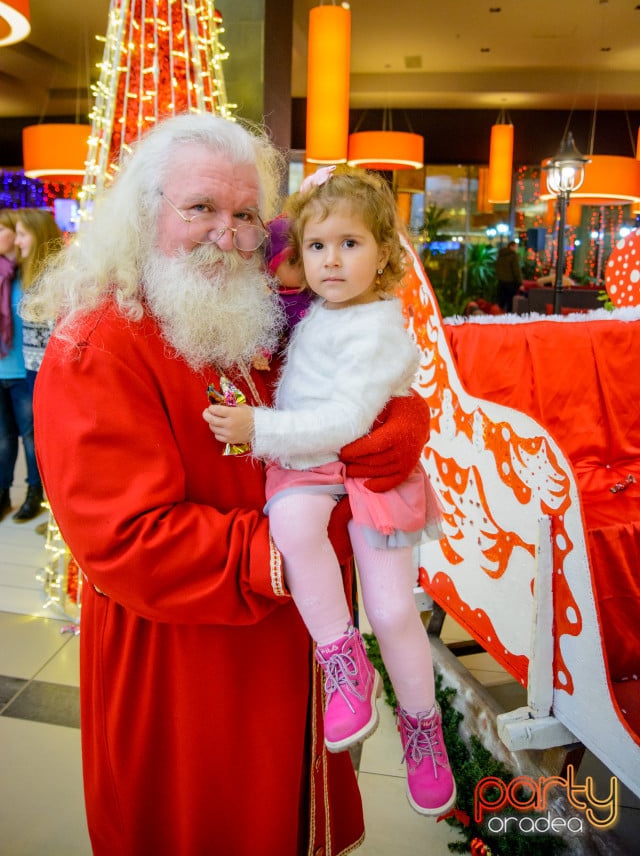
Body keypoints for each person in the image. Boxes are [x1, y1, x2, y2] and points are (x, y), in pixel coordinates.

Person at [23, 113, 430, 856]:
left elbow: (336, 400)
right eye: (201, 208)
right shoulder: (98, 344)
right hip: (190, 680)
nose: (230, 234)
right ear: (148, 216)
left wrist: (398, 421)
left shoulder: (254, 318)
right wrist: (320, 532)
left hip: (291, 651)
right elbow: (130, 542)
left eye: (246, 214)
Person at [205, 165, 456, 818]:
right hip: (307, 460)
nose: (331, 261)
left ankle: (422, 726)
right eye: (317, 247)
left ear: (384, 255)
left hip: (364, 460)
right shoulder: (315, 304)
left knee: (395, 608)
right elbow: (280, 249)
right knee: (290, 531)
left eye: (351, 244)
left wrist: (256, 427)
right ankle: (343, 659)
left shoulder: (374, 326)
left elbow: (347, 421)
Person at [0, 209, 45, 523]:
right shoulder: (4, 272)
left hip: (24, 371)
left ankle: (34, 494)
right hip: (2, 368)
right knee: (3, 438)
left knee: (31, 437)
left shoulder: (31, 275)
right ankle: (3, 493)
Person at [15, 208, 63, 389]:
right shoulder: (31, 274)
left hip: (47, 369)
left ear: (38, 235)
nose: (17, 241)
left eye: (22, 235)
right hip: (33, 365)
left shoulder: (54, 277)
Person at [495, 239, 522, 312]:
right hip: (511, 282)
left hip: (501, 281)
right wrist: (519, 282)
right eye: (515, 247)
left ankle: (499, 317)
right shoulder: (513, 256)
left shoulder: (500, 255)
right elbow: (516, 271)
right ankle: (508, 319)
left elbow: (497, 268)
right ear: (511, 246)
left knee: (501, 302)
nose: (516, 249)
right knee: (510, 302)